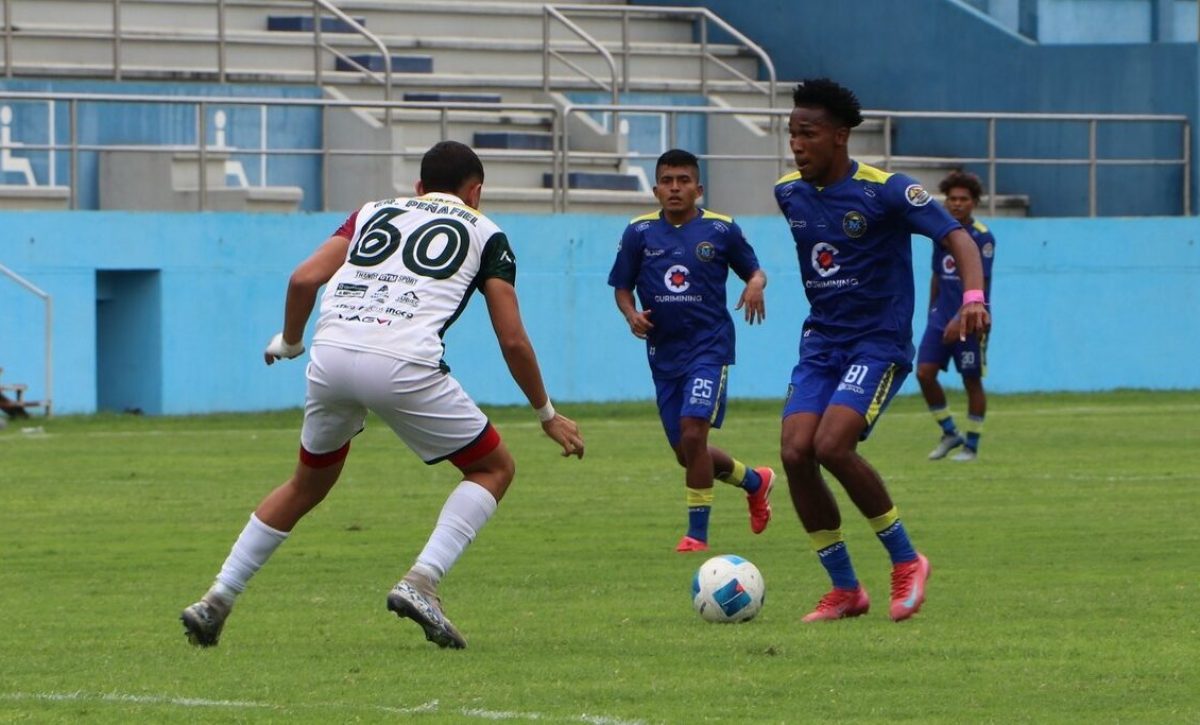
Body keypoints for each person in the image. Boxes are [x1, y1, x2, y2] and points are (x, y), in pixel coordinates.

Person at [180, 141, 585, 650]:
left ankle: (216, 599)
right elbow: (512, 339)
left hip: (330, 356)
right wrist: (546, 413)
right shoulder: (486, 232)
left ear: (418, 187)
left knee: (306, 484)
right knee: (493, 469)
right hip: (402, 361)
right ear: (476, 192)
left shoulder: (370, 212)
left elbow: (304, 278)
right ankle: (422, 581)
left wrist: (288, 340)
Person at [773, 79, 989, 622]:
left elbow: (957, 237)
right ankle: (845, 589)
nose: (796, 144)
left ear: (840, 137)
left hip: (878, 344)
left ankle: (906, 559)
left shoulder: (887, 191)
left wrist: (972, 297)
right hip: (822, 343)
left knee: (832, 445)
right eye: (791, 133)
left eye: (808, 134)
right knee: (796, 452)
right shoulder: (789, 193)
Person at [608, 148, 775, 553]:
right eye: (667, 181)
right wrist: (631, 315)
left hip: (709, 348)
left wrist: (755, 283)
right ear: (655, 189)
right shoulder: (638, 233)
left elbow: (754, 270)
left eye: (683, 181)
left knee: (694, 431)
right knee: (687, 453)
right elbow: (622, 287)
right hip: (664, 354)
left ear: (698, 188)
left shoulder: (721, 230)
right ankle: (755, 481)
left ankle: (696, 536)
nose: (675, 188)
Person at [918, 171, 996, 462]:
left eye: (963, 199)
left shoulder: (982, 237)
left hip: (971, 319)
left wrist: (963, 316)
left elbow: (981, 286)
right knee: (924, 373)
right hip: (940, 316)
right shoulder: (941, 234)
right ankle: (949, 432)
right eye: (952, 199)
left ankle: (971, 446)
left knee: (971, 381)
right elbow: (937, 276)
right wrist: (932, 314)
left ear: (974, 202)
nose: (957, 204)